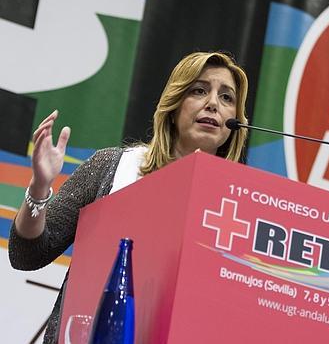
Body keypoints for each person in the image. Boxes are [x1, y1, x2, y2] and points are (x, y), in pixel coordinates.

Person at [8, 51, 249, 343]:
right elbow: (27, 254)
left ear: (236, 121)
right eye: (199, 90)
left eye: (227, 98)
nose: (213, 103)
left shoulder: (239, 207)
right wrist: (39, 187)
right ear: (173, 105)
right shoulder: (112, 167)